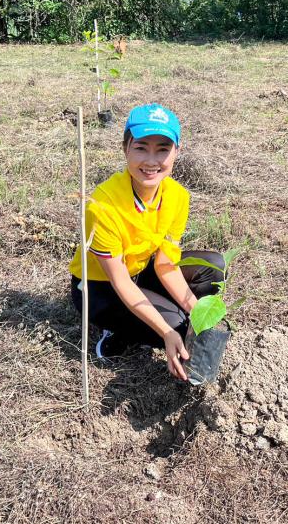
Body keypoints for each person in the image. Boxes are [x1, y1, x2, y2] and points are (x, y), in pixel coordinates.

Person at [68, 104, 224, 381]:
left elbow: (165, 264)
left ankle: (180, 331)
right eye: (141, 147)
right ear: (125, 148)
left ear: (177, 151)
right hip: (101, 287)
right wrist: (166, 331)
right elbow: (120, 281)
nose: (151, 161)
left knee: (212, 267)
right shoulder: (102, 205)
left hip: (140, 270)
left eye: (163, 148)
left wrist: (197, 314)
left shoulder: (177, 196)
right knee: (172, 324)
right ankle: (117, 331)